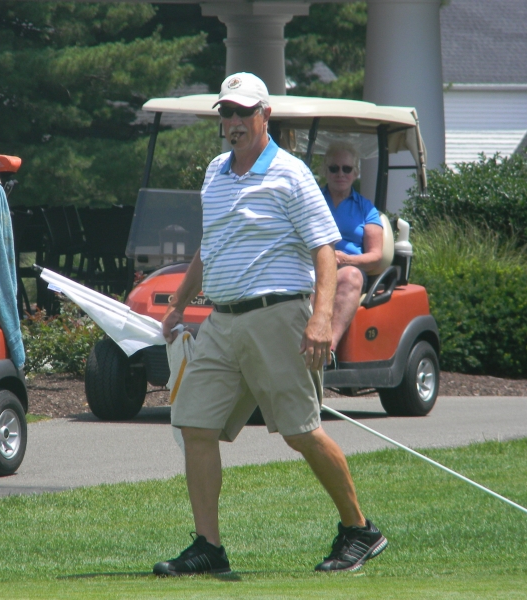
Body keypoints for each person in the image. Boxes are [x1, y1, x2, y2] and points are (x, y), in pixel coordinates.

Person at [153, 73, 386, 577]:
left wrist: (321, 320)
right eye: (227, 113)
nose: (234, 122)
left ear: (265, 116)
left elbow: (325, 251)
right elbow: (209, 246)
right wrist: (178, 303)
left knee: (301, 432)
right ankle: (208, 548)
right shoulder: (215, 172)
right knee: (194, 424)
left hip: (280, 317)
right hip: (222, 322)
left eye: (244, 112)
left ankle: (360, 530)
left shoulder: (291, 173)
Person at [320, 141, 384, 359]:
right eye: (334, 168)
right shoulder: (313, 201)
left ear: (355, 173)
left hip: (350, 268)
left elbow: (376, 256)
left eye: (347, 169)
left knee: (350, 276)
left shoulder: (366, 208)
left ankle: (327, 349)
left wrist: (345, 259)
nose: (340, 173)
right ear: (325, 171)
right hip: (315, 265)